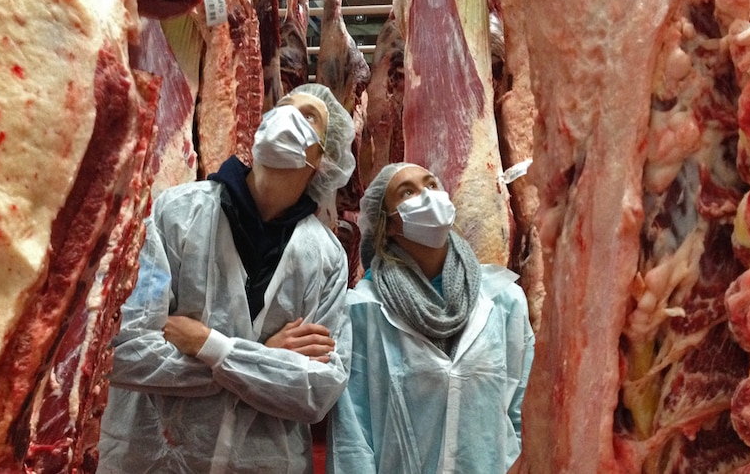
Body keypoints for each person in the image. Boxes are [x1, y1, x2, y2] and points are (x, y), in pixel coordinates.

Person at [97, 83, 356, 474]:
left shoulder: (327, 258)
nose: (287, 116)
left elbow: (317, 392)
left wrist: (209, 344)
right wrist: (268, 358)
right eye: (282, 106)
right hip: (150, 459)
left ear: (325, 156)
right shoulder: (173, 213)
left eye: (308, 117)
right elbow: (125, 351)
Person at [326, 163, 535, 473]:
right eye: (407, 192)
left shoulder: (504, 301)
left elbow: (524, 414)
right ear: (390, 224)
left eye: (432, 185)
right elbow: (352, 437)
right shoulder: (362, 310)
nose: (427, 196)